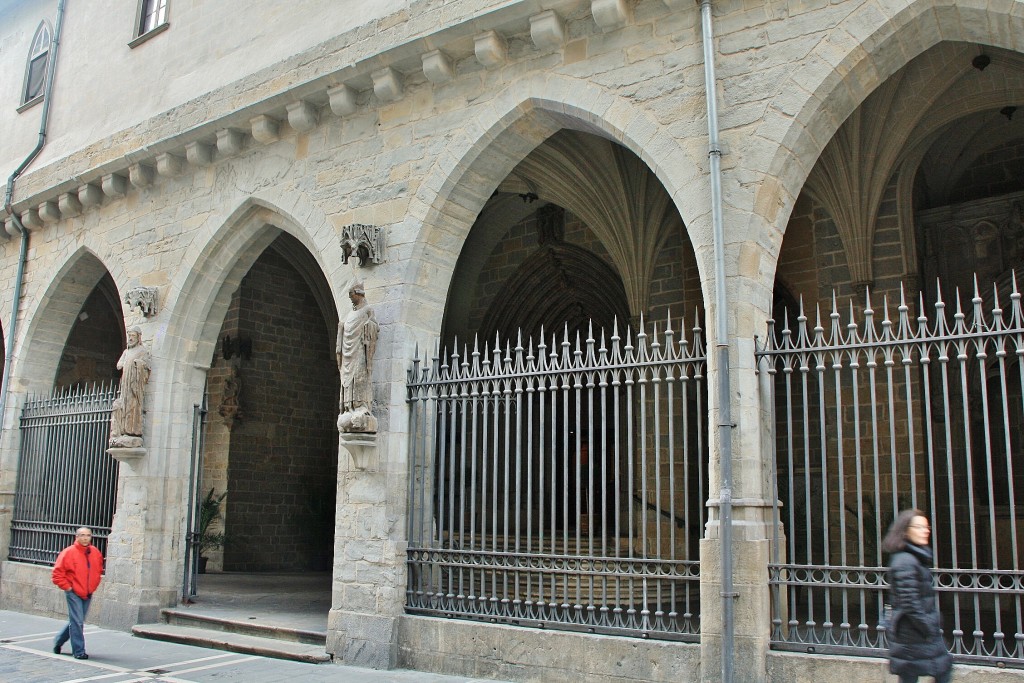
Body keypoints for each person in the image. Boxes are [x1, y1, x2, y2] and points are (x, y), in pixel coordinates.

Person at [882, 509, 953, 683]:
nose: (926, 530)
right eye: (919, 527)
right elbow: (909, 602)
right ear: (905, 531)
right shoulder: (906, 561)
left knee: (915, 673)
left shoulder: (914, 558)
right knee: (941, 671)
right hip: (913, 633)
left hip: (915, 632)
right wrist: (928, 625)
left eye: (926, 526)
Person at [52, 527, 103, 660]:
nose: (85, 538)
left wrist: (94, 585)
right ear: (77, 537)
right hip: (73, 591)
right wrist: (68, 588)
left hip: (88, 592)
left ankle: (58, 640)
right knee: (77, 622)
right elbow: (57, 573)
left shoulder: (95, 552)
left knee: (76, 621)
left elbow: (98, 570)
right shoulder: (68, 552)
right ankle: (79, 651)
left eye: (88, 535)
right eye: (82, 535)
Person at [337, 283, 379, 433]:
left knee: (360, 376)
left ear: (359, 293)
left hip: (360, 349)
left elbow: (374, 327)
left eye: (351, 294)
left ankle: (361, 405)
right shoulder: (349, 315)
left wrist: (369, 326)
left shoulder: (368, 310)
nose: (350, 298)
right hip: (349, 353)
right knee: (348, 379)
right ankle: (349, 407)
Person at [109, 326, 151, 448]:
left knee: (133, 406)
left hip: (134, 385)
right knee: (123, 404)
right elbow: (118, 365)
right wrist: (124, 363)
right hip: (125, 384)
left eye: (133, 336)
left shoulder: (142, 351)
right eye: (129, 336)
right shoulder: (126, 352)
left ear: (138, 337)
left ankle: (132, 430)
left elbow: (147, 366)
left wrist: (137, 363)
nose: (130, 338)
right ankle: (122, 430)